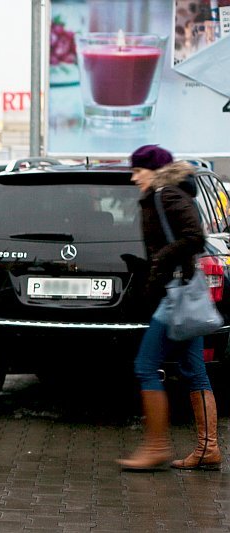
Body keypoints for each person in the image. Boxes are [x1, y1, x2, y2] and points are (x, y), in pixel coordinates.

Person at [117, 145, 221, 471]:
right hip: (176, 293)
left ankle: (157, 447)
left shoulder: (167, 194)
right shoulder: (163, 195)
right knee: (195, 371)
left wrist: (162, 259)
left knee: (146, 365)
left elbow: (194, 236)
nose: (134, 178)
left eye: (138, 171)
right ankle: (208, 449)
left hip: (174, 296)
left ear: (154, 169)